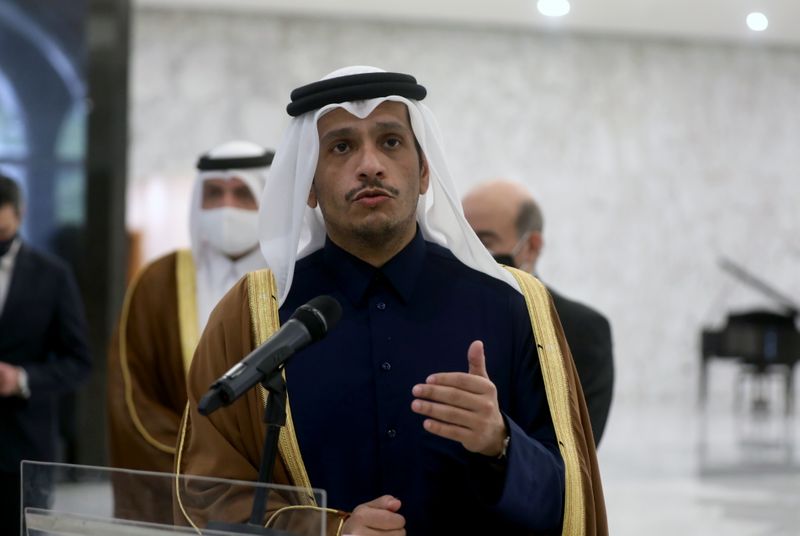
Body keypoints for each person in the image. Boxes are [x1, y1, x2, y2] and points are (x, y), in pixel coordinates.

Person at [175, 67, 606, 536]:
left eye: (391, 142)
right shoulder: (254, 315)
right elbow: (204, 492)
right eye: (341, 147)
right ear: (309, 186)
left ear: (424, 172)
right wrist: (328, 530)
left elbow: (572, 504)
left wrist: (500, 443)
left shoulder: (512, 305)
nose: (370, 165)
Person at [106, 141, 273, 522]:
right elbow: (133, 400)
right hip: (181, 485)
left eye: (242, 193)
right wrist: (204, 465)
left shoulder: (299, 278)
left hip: (280, 488)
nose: (226, 207)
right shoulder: (158, 282)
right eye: (214, 193)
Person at [462, 180, 615, 445]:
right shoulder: (442, 313)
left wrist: (501, 441)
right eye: (462, 240)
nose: (470, 255)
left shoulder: (581, 330)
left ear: (531, 246)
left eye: (485, 243)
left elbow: (576, 453)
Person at [0, 174, 91, 535]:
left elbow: (79, 362)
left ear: (19, 215)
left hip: (22, 448)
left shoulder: (52, 275)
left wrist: (21, 378)